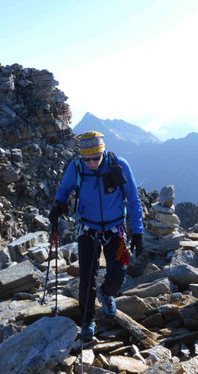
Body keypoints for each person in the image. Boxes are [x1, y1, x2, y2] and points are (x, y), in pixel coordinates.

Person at [49, 131, 143, 341]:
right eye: (87, 158)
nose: (91, 163)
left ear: (103, 152)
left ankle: (108, 293)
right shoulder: (77, 167)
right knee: (86, 277)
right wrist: (57, 207)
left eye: (95, 158)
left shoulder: (119, 165)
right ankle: (87, 321)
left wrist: (138, 231)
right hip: (88, 229)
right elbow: (64, 190)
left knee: (119, 273)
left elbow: (133, 199)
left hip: (115, 228)